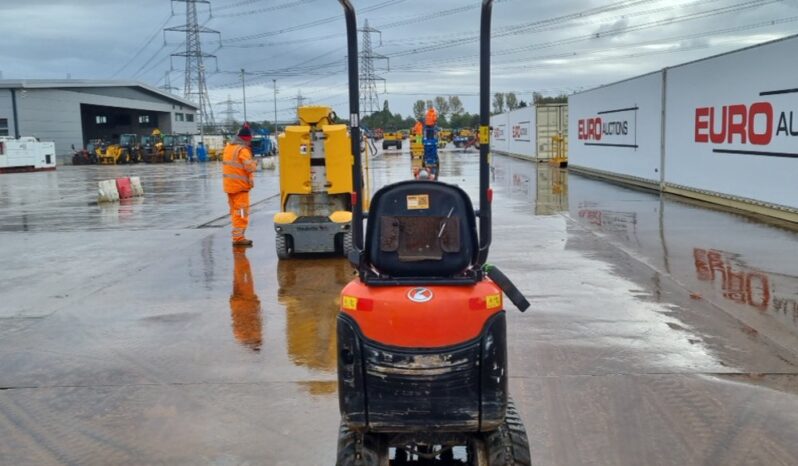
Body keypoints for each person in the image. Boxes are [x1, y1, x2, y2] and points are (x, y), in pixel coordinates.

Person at [222, 123, 258, 246]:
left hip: (230, 187)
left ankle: (237, 236)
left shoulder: (228, 148)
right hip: (240, 187)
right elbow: (249, 167)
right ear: (246, 139)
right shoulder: (242, 150)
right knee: (242, 213)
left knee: (235, 212)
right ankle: (239, 238)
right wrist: (255, 163)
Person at [230, 247, 262, 351]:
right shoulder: (240, 336)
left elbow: (256, 319)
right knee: (240, 276)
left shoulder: (246, 335)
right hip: (240, 302)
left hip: (246, 301)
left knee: (243, 274)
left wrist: (256, 303)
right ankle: (239, 256)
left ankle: (239, 256)